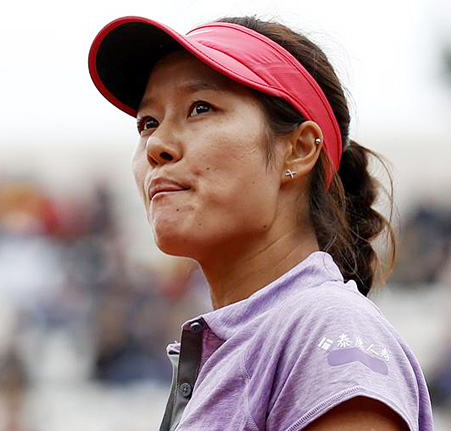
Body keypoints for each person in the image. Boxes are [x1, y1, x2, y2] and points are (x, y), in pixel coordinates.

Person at [88, 15, 434, 431]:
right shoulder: (245, 344)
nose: (157, 145)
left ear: (298, 150)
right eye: (148, 123)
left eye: (200, 108)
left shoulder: (325, 327)